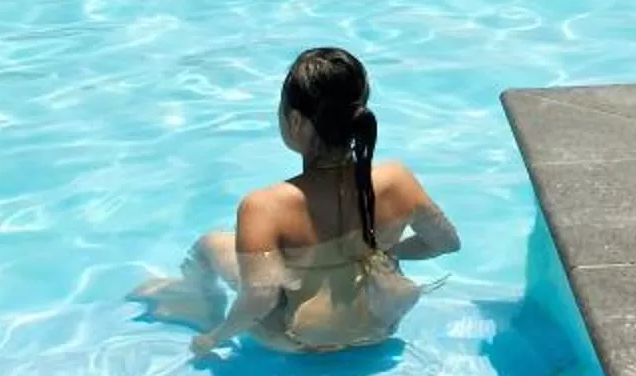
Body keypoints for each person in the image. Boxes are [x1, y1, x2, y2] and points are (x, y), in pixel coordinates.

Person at [132, 47, 460, 356]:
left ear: (296, 121)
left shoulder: (264, 206)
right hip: (380, 326)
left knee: (211, 243)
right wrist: (382, 252)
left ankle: (197, 302)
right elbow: (446, 243)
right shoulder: (397, 179)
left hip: (299, 342)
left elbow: (260, 298)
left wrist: (213, 338)